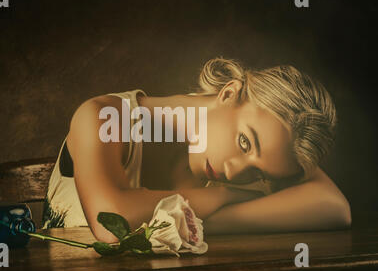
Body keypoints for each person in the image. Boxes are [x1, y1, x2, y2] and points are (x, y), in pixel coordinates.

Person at [41, 57, 351, 243]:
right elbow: (112, 223)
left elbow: (335, 206)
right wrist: (223, 197)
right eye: (245, 142)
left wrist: (198, 220)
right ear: (230, 92)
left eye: (257, 171)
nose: (235, 171)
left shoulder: (259, 152)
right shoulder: (103, 117)